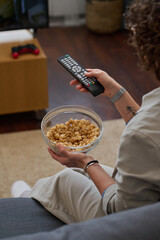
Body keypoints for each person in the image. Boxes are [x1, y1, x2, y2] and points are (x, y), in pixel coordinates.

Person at [11, 0, 160, 224]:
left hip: (138, 225)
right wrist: (114, 91)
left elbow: (118, 209)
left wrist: (87, 162)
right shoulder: (147, 127)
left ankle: (30, 200)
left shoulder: (140, 135)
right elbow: (151, 131)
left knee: (67, 179)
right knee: (90, 175)